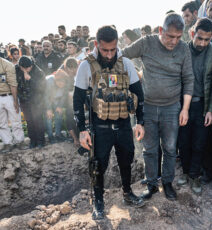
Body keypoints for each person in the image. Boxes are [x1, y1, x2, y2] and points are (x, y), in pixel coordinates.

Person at [73, 25, 145, 220]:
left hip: (123, 124)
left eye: (113, 49)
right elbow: (78, 100)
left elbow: (138, 94)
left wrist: (140, 122)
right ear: (97, 44)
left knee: (126, 160)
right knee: (98, 165)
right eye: (104, 50)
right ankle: (98, 202)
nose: (109, 54)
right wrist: (82, 130)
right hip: (100, 127)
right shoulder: (86, 66)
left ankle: (127, 192)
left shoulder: (126, 64)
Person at [122, 13, 194, 201]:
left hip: (172, 108)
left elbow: (188, 79)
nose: (174, 41)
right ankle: (152, 183)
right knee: (150, 148)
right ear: (161, 30)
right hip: (147, 107)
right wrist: (134, 75)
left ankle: (168, 182)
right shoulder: (147, 42)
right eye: (170, 36)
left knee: (170, 148)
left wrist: (185, 109)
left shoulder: (184, 49)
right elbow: (122, 55)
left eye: (178, 37)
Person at [177, 18, 212, 194]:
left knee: (199, 143)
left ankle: (195, 175)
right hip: (182, 105)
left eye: (207, 39)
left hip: (203, 106)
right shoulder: (182, 50)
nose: (202, 43)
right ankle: (186, 172)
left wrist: (211, 110)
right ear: (192, 33)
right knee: (183, 141)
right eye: (199, 38)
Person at [16, 56, 46, 148]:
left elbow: (42, 88)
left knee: (38, 121)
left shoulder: (38, 72)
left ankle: (41, 141)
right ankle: (33, 141)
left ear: (31, 65)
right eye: (23, 68)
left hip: (36, 100)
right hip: (24, 100)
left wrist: (30, 79)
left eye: (27, 68)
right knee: (29, 121)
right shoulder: (17, 69)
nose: (25, 70)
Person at [0, 57, 26, 153]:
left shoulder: (7, 64)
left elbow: (13, 84)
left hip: (9, 96)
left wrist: (15, 101)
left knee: (16, 120)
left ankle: (19, 141)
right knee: (1, 123)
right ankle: (8, 143)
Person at [45, 69, 69, 143]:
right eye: (59, 83)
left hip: (57, 99)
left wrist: (60, 106)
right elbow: (46, 96)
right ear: (56, 80)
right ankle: (50, 136)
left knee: (59, 115)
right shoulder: (49, 81)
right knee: (48, 118)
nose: (61, 85)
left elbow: (64, 95)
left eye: (63, 83)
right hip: (47, 99)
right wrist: (48, 109)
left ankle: (58, 135)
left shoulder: (66, 82)